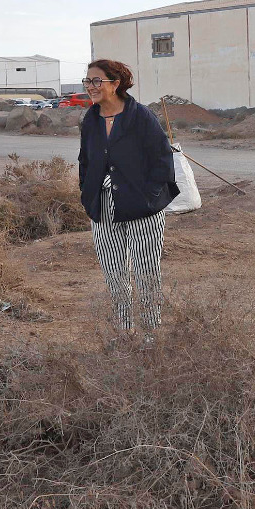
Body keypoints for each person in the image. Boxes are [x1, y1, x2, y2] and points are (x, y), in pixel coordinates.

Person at [77, 59, 177, 337]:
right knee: (114, 273)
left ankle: (150, 332)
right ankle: (124, 331)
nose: (91, 87)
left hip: (142, 206)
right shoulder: (91, 119)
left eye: (97, 81)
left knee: (146, 272)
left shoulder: (140, 116)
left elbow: (162, 159)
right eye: (88, 81)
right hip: (103, 206)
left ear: (116, 84)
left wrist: (149, 196)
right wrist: (87, 195)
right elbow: (85, 160)